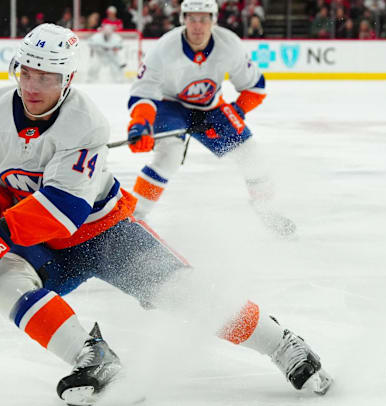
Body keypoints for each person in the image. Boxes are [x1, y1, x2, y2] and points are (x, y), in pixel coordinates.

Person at [0, 23, 332, 406]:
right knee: (1, 282)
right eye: (28, 72)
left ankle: (281, 343)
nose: (33, 86)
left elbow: (64, 210)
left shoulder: (85, 124)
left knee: (185, 294)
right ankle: (93, 359)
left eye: (47, 77)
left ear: (67, 80)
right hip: (37, 239)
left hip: (104, 233)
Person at [126, 0, 296, 236]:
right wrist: (140, 123)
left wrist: (236, 112)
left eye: (204, 18)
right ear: (183, 19)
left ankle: (266, 210)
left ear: (213, 20)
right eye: (192, 19)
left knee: (251, 155)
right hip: (169, 104)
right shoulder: (164, 48)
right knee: (169, 156)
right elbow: (143, 92)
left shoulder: (229, 45)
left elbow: (255, 87)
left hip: (211, 105)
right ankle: (134, 217)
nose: (198, 25)